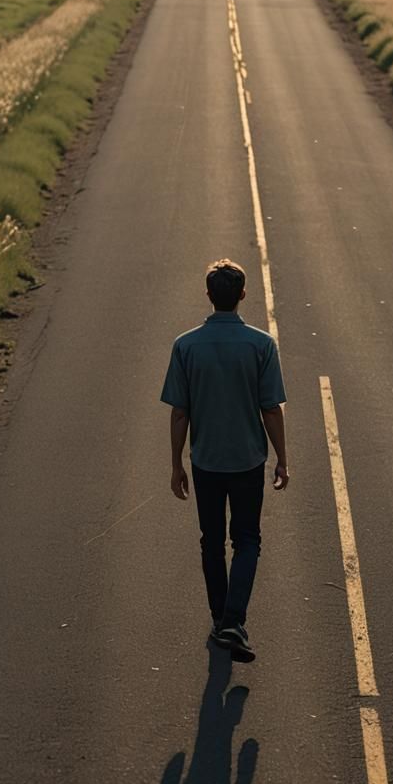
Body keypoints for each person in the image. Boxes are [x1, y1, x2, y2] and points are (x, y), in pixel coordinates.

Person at [160, 259, 289, 663]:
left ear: (208, 295)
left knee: (211, 543)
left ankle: (221, 621)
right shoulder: (262, 345)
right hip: (248, 461)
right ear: (243, 295)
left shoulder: (185, 346)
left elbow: (179, 411)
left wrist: (177, 463)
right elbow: (271, 408)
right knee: (247, 539)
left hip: (206, 462)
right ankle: (234, 620)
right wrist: (282, 458)